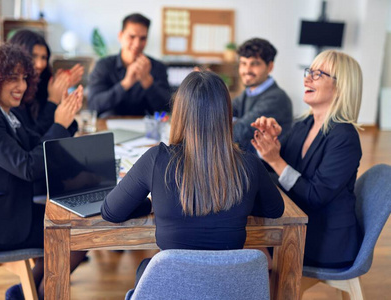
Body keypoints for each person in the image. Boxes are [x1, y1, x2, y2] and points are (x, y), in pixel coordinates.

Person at [101, 71, 284, 287]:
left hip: (173, 289)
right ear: (225, 114)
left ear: (180, 111)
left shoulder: (156, 160)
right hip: (228, 290)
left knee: (145, 268)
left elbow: (111, 211)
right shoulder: (249, 164)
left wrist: (150, 204)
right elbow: (274, 210)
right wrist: (238, 202)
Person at [0, 44, 87, 299]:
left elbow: (37, 141)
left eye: (24, 78)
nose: (22, 86)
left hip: (8, 212)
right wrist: (59, 124)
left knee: (78, 221)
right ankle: (40, 293)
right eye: (12, 78)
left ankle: (25, 292)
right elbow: (29, 167)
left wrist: (66, 121)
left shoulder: (3, 114)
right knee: (81, 234)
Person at [251, 50, 363, 269]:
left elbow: (315, 195)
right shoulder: (303, 125)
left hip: (324, 242)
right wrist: (269, 145)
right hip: (297, 227)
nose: (307, 78)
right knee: (240, 237)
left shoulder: (345, 137)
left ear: (341, 87)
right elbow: (279, 175)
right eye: (309, 71)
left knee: (246, 246)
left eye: (318, 74)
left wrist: (276, 160)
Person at [87, 13, 171, 117]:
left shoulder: (158, 67)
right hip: (110, 127)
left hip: (147, 129)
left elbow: (167, 109)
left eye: (142, 38)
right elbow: (93, 105)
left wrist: (147, 82)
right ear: (120, 36)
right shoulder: (103, 66)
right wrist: (126, 84)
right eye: (132, 37)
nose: (137, 44)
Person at [9, 29, 84, 135]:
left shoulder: (44, 85)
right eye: (33, 56)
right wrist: (53, 101)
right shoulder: (14, 93)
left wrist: (63, 100)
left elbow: (71, 128)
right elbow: (34, 139)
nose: (40, 64)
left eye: (43, 57)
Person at [233, 38, 293, 150]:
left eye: (254, 64)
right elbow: (221, 113)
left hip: (265, 166)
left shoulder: (277, 98)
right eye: (243, 63)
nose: (247, 70)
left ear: (270, 67)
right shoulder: (248, 92)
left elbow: (239, 132)